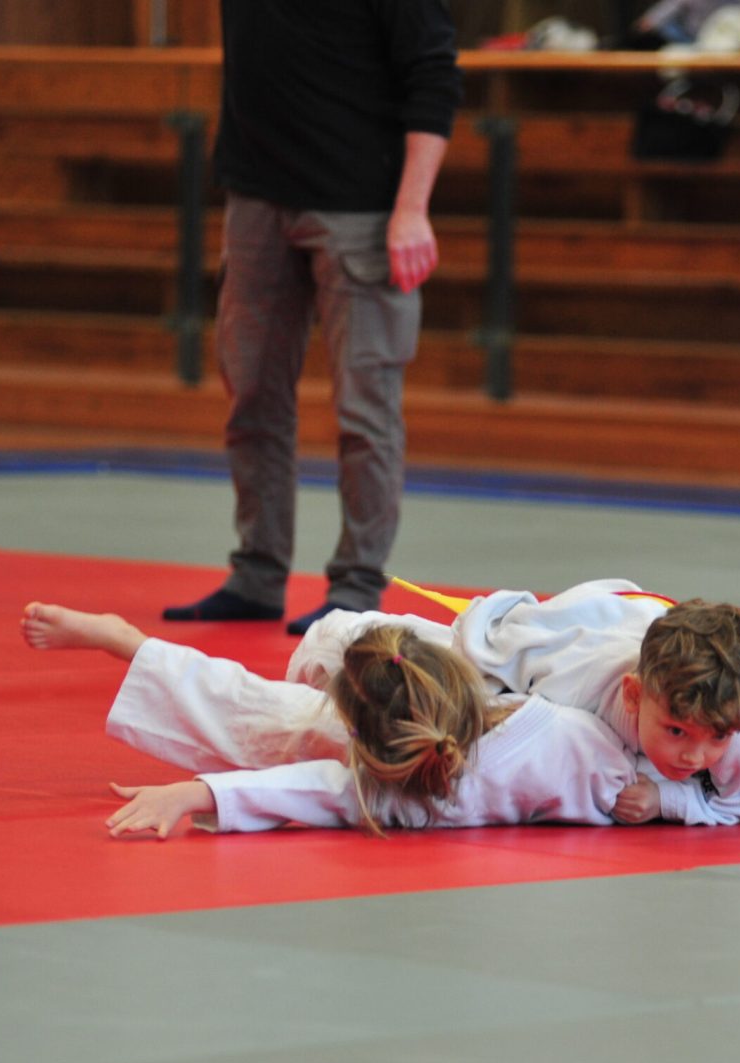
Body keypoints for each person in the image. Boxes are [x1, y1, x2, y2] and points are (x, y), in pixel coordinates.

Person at [162, 0, 462, 637]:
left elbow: (434, 76)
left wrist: (412, 209)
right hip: (256, 196)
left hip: (362, 209)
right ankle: (257, 572)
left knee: (365, 408)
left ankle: (357, 584)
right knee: (251, 395)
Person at [20, 603, 663, 838]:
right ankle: (131, 642)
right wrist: (669, 802)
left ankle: (129, 642)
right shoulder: (584, 739)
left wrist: (200, 793)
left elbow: (319, 788)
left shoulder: (401, 790)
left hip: (424, 663)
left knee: (282, 716)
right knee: (292, 703)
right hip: (462, 665)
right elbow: (321, 791)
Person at [439, 579, 740, 825]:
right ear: (633, 695)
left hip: (734, 680)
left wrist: (671, 800)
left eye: (716, 737)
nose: (694, 756)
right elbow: (489, 642)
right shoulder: (572, 672)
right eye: (677, 731)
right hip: (623, 622)